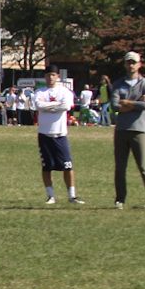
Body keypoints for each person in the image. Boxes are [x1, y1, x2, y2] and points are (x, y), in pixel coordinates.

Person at [111, 51, 145, 209]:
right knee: (120, 167)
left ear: (139, 64)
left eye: (134, 62)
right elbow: (115, 105)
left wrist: (127, 103)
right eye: (128, 62)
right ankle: (120, 199)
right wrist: (135, 103)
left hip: (139, 130)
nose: (131, 65)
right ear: (125, 64)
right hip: (121, 129)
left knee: (143, 166)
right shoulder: (118, 84)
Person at [34, 67, 84, 206]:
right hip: (44, 134)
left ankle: (72, 196)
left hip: (60, 134)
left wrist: (48, 106)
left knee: (67, 166)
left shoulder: (64, 91)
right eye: (48, 75)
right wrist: (56, 105)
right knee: (47, 167)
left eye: (53, 75)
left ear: (57, 76)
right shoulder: (40, 92)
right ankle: (50, 196)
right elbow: (38, 105)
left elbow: (66, 106)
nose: (50, 78)